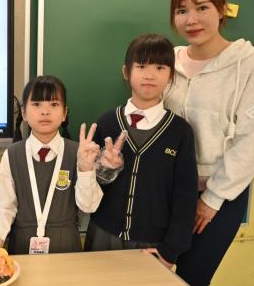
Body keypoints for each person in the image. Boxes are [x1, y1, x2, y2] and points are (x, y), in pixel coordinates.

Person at [164, 0, 254, 286]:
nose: (191, 19)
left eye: (202, 8)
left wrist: (211, 200)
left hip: (220, 196)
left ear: (222, 9)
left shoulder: (250, 64)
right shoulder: (168, 61)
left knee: (192, 284)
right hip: (168, 190)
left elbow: (253, 140)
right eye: (182, 10)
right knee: (156, 282)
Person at [84, 34, 198, 269]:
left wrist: (171, 251)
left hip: (153, 242)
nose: (150, 75)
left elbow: (185, 197)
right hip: (103, 234)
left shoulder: (180, 132)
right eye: (141, 66)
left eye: (160, 67)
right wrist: (104, 169)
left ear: (171, 75)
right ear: (126, 72)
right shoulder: (106, 123)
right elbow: (89, 185)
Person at [0, 75, 120, 255]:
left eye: (53, 104)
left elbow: (89, 206)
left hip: (67, 247)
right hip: (22, 247)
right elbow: (5, 207)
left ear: (64, 113)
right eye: (37, 104)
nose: (45, 112)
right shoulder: (12, 154)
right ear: (24, 113)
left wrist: (86, 169)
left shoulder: (80, 153)